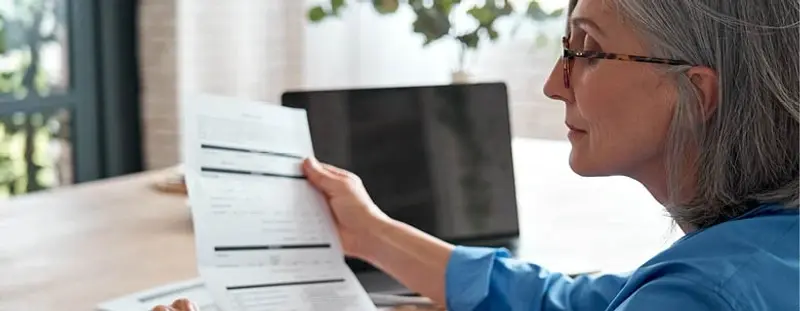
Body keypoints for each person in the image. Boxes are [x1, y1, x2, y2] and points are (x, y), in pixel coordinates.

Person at [152, 0, 799, 310]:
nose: (555, 82)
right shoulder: (762, 252)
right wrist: (372, 233)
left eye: (588, 49)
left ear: (695, 92)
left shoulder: (702, 296)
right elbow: (573, 303)